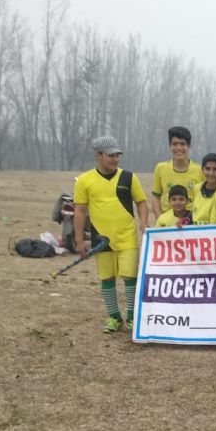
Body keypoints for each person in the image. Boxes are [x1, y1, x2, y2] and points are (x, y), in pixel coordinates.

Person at [74, 136, 148, 333]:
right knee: (107, 278)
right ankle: (114, 317)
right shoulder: (84, 180)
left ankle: (132, 317)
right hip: (101, 240)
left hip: (126, 237)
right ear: (99, 156)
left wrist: (143, 222)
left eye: (117, 155)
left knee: (130, 276)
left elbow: (141, 202)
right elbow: (80, 211)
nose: (115, 159)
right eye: (111, 156)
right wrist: (80, 240)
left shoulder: (129, 177)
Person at [149, 126, 203, 222]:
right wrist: (159, 219)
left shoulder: (200, 170)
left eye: (182, 144)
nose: (179, 148)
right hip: (168, 226)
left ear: (189, 146)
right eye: (175, 144)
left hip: (191, 225)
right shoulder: (161, 168)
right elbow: (156, 197)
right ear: (170, 146)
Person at [191, 153, 216, 224]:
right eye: (207, 169)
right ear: (202, 170)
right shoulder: (196, 188)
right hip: (196, 233)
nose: (211, 173)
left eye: (215, 169)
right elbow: (191, 212)